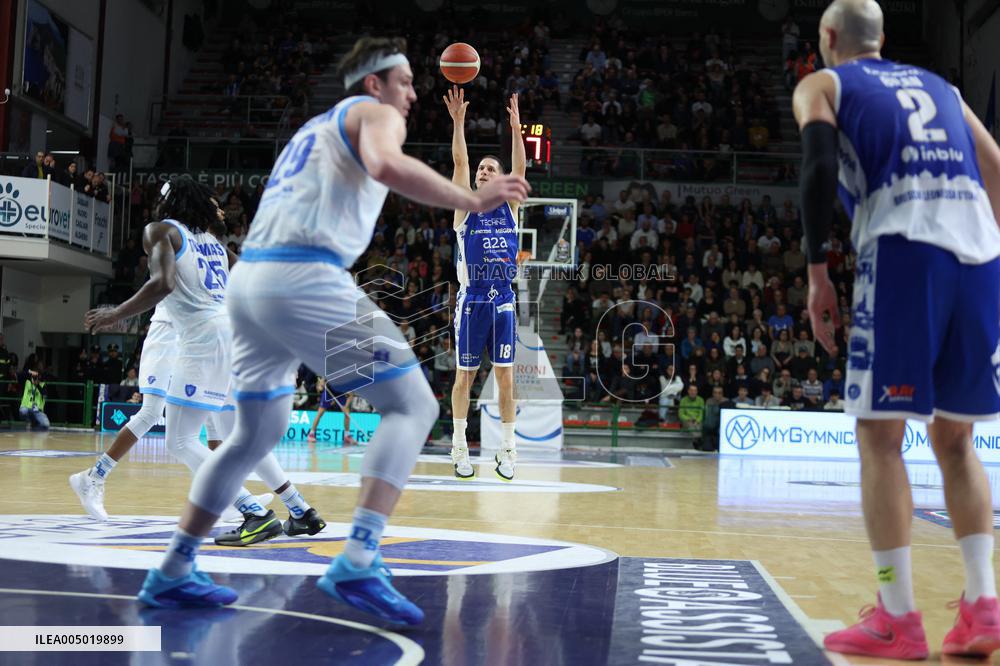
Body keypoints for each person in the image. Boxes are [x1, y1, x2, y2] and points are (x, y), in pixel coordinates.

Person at [132, 37, 528, 623]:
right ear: (374, 84)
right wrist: (472, 195)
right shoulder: (372, 115)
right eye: (405, 82)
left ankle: (172, 570)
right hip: (303, 279)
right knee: (414, 405)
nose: (414, 92)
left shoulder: (313, 129)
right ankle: (360, 559)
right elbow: (390, 167)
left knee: (250, 437)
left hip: (251, 288)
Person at [794, 1, 1000, 659]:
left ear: (829, 38)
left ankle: (897, 616)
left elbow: (819, 167)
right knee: (955, 440)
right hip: (979, 251)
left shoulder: (823, 83)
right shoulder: (944, 88)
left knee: (880, 436)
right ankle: (982, 606)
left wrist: (817, 270)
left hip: (906, 246)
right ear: (882, 40)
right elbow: (995, 165)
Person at [75, 179, 326, 544]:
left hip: (202, 338)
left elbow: (161, 284)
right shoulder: (214, 243)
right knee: (234, 435)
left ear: (167, 204)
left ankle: (254, 513)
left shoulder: (162, 231)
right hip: (233, 337)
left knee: (179, 439)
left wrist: (116, 313)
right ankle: (300, 509)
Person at [444, 85, 530, 482]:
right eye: (482, 170)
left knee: (505, 377)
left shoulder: (510, 208)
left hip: (503, 302)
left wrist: (516, 128)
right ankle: (460, 445)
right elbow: (459, 161)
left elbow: (521, 170)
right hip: (472, 300)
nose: (484, 171)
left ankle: (508, 450)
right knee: (465, 376)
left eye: (491, 169)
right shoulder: (467, 207)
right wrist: (459, 121)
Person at [306, 377, 357, 445]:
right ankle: (311, 434)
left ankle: (347, 436)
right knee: (320, 413)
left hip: (340, 393)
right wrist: (321, 384)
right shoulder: (332, 374)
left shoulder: (348, 384)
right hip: (329, 391)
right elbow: (321, 383)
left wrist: (345, 406)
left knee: (347, 414)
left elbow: (351, 395)